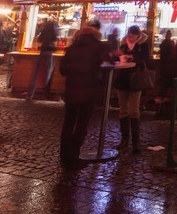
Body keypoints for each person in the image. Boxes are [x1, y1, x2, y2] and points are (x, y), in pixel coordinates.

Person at [58, 23, 110, 168]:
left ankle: (64, 155)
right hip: (88, 91)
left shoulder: (71, 48)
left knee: (68, 123)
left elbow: (63, 70)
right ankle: (73, 157)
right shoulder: (98, 47)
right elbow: (107, 61)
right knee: (82, 124)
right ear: (95, 36)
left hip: (71, 92)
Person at [113, 25, 150, 153]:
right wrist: (116, 56)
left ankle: (136, 142)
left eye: (133, 35)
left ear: (138, 35)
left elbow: (145, 61)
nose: (130, 37)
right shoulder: (123, 45)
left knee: (134, 110)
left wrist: (133, 59)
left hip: (135, 80)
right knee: (123, 110)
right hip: (122, 79)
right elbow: (115, 59)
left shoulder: (143, 46)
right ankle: (124, 140)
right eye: (129, 34)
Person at [26, 19, 57, 101]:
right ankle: (45, 94)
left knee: (35, 74)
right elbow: (54, 40)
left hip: (42, 52)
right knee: (48, 74)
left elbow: (39, 40)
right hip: (49, 53)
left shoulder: (44, 31)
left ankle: (30, 95)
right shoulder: (53, 32)